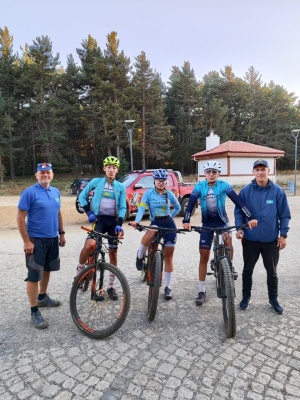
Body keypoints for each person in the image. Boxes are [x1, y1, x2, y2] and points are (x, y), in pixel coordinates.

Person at [182, 160, 257, 306]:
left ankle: (229, 266)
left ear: (218, 174)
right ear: (205, 174)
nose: (211, 174)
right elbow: (191, 204)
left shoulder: (224, 185)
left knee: (228, 241)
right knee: (203, 256)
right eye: (208, 172)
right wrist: (186, 220)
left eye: (214, 172)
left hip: (223, 223)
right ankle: (202, 290)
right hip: (207, 225)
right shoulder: (199, 186)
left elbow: (239, 202)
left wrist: (250, 217)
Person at [234, 159, 291, 314]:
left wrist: (283, 235)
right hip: (250, 240)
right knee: (247, 270)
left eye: (263, 169)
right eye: (257, 169)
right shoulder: (246, 191)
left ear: (268, 171)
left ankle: (273, 299)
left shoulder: (277, 191)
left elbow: (284, 215)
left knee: (272, 271)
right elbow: (238, 211)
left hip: (270, 240)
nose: (260, 172)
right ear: (253, 172)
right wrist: (240, 228)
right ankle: (246, 297)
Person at [17, 162, 66, 330]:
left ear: (52, 174)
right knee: (33, 275)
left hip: (52, 239)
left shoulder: (56, 192)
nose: (45, 175)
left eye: (48, 172)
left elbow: (58, 213)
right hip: (35, 240)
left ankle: (43, 297)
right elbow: (20, 217)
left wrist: (62, 233)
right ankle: (34, 312)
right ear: (36, 175)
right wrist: (26, 241)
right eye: (42, 173)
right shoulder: (29, 193)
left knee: (47, 269)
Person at [76, 156, 126, 300]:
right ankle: (79, 272)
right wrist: (89, 212)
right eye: (109, 167)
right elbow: (82, 197)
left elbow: (122, 207)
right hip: (99, 220)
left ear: (117, 170)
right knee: (89, 245)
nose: (111, 170)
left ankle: (110, 286)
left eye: (114, 168)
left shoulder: (120, 187)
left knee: (113, 253)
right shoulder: (96, 182)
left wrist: (119, 224)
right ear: (104, 168)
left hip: (113, 222)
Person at [130, 169, 181, 300]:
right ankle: (140, 255)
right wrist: (137, 221)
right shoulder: (148, 194)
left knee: (168, 256)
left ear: (166, 181)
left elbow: (178, 207)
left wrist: (171, 216)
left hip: (168, 223)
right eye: (158, 180)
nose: (161, 183)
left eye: (163, 181)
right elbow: (141, 208)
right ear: (154, 180)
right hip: (156, 222)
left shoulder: (169, 194)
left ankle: (168, 287)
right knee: (151, 232)